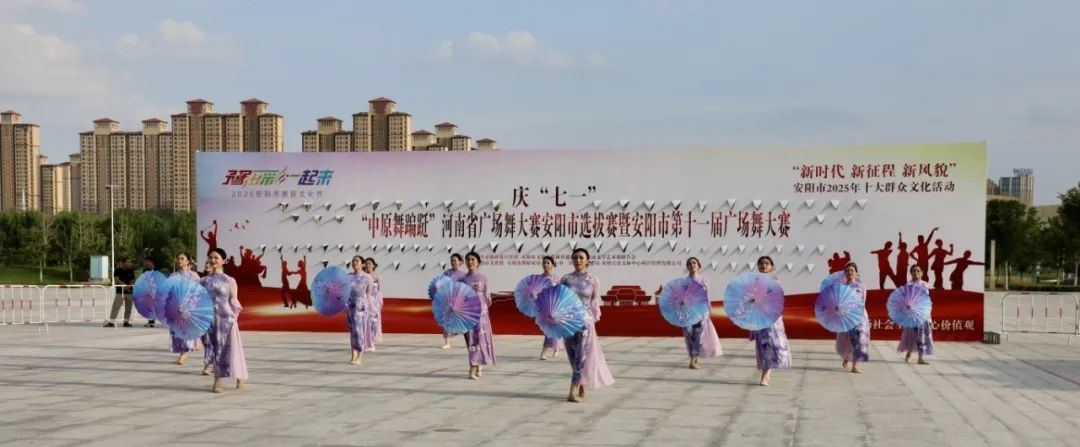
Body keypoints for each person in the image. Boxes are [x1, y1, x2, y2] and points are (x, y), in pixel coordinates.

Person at [560, 248, 614, 402]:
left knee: (580, 356)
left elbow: (594, 301)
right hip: (568, 321)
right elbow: (559, 298)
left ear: (587, 261)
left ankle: (572, 391)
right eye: (575, 257)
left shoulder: (593, 280)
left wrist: (593, 318)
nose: (578, 260)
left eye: (581, 257)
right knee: (571, 355)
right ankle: (582, 382)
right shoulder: (565, 279)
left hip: (585, 321)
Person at [202, 248, 248, 393]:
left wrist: (234, 315)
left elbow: (233, 299)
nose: (213, 260)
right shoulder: (203, 281)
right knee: (215, 349)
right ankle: (219, 378)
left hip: (226, 318)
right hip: (210, 319)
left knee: (231, 349)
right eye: (211, 257)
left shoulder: (229, 280)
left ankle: (231, 378)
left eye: (216, 257)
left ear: (224, 261)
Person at [750, 256, 791, 386]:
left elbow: (779, 298)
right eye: (761, 263)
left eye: (767, 263)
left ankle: (766, 374)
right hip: (759, 316)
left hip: (772, 317)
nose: (764, 265)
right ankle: (765, 373)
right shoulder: (754, 281)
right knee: (764, 344)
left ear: (771, 266)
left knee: (773, 343)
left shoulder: (775, 281)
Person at [680, 257, 722, 369]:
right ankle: (694, 359)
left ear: (698, 265)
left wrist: (709, 309)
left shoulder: (704, 280)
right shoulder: (684, 282)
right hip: (688, 311)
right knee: (689, 335)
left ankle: (693, 360)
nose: (692, 265)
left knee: (699, 335)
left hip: (701, 312)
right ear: (687, 267)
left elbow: (706, 296)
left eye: (694, 263)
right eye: (689, 263)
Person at [461, 252, 496, 379]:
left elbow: (487, 297)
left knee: (481, 340)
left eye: (472, 259)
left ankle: (478, 365)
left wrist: (484, 308)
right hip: (469, 313)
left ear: (478, 262)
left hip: (481, 313)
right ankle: (472, 368)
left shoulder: (483, 278)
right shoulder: (463, 279)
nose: (470, 262)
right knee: (471, 340)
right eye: (468, 260)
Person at [836, 262, 870, 373]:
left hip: (860, 316)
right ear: (845, 273)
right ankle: (847, 357)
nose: (850, 272)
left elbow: (863, 301)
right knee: (849, 340)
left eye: (852, 270)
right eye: (847, 271)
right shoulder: (842, 287)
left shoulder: (861, 286)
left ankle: (855, 365)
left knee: (859, 339)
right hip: (847, 317)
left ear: (856, 273)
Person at [168, 252, 201, 365]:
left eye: (182, 259)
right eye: (178, 259)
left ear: (188, 261)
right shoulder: (173, 276)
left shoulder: (194, 276)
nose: (179, 261)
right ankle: (183, 350)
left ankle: (184, 353)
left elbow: (198, 292)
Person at [898, 265, 934, 365]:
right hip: (913, 315)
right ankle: (909, 354)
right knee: (911, 335)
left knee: (922, 335)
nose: (916, 272)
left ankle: (920, 357)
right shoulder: (908, 285)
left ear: (922, 273)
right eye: (914, 271)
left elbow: (927, 299)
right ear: (910, 272)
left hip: (924, 314)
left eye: (918, 271)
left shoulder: (925, 285)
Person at [346, 256, 373, 365]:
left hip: (362, 308)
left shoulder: (367, 277)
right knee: (352, 331)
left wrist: (370, 308)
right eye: (353, 261)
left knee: (360, 331)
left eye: (357, 261)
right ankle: (353, 356)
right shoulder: (348, 277)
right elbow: (344, 292)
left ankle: (360, 357)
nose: (354, 263)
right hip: (350, 307)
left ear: (362, 264)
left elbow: (369, 294)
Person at [439, 254, 467, 349]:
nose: (453, 262)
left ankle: (469, 340)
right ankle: (447, 342)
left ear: (459, 261)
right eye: (452, 260)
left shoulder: (464, 273)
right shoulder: (447, 272)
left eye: (455, 260)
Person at [539, 256, 561, 360]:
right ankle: (555, 348)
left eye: (548, 263)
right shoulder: (539, 278)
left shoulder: (558, 278)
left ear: (552, 264)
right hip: (545, 306)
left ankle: (547, 351)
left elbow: (561, 292)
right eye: (544, 263)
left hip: (556, 306)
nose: (545, 265)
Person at [104, 257, 136, 328]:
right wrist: (124, 285)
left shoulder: (130, 270)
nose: (129, 263)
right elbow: (117, 280)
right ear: (123, 263)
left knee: (128, 308)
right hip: (120, 292)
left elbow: (133, 279)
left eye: (130, 262)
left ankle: (126, 322)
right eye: (128, 262)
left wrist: (129, 286)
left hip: (129, 292)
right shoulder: (118, 270)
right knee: (116, 307)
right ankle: (111, 322)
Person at [364, 258, 383, 350]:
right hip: (365, 301)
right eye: (366, 263)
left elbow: (379, 291)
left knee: (374, 322)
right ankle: (367, 342)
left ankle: (373, 340)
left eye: (370, 263)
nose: (368, 265)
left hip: (375, 302)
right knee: (366, 322)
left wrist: (380, 301)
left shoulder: (377, 277)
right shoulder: (363, 277)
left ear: (374, 265)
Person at [142, 256, 159, 327]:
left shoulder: (157, 270)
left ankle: (152, 320)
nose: (145, 263)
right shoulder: (145, 270)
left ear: (151, 262)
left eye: (146, 262)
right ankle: (151, 321)